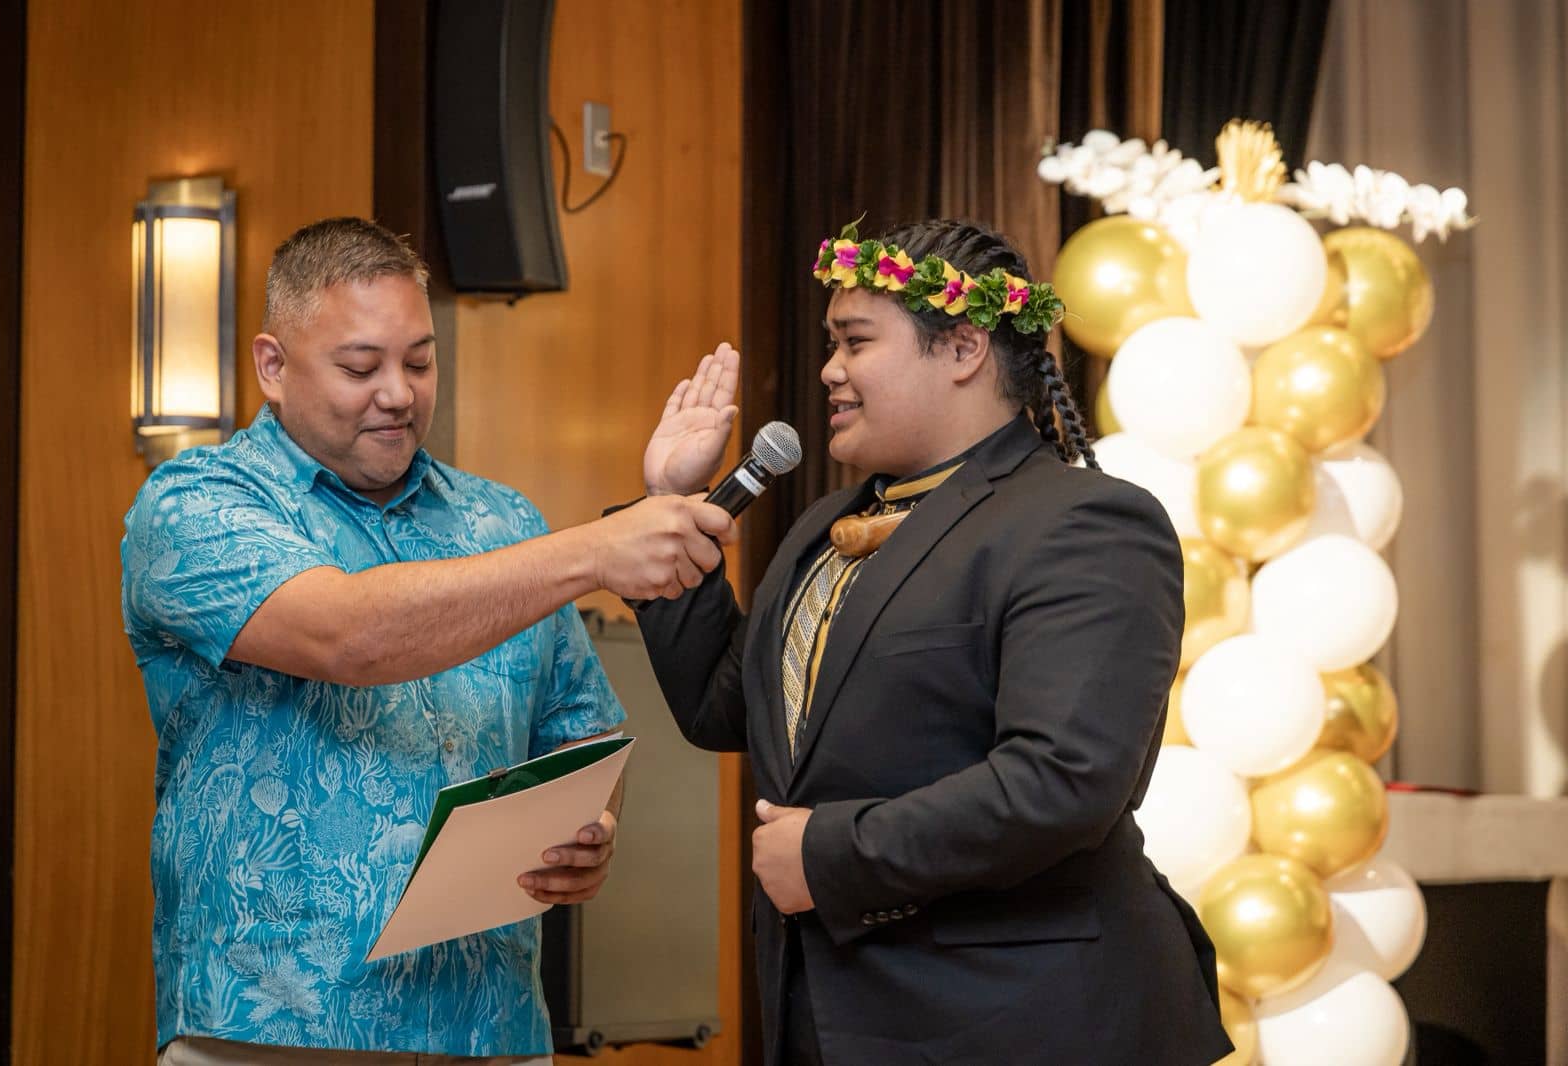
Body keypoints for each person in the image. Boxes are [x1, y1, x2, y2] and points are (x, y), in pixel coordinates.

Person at [121, 217, 735, 1065]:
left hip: (490, 1023)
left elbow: (581, 728)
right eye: (360, 366)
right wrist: (595, 549)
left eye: (419, 360)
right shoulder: (194, 506)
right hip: (273, 1026)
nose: (400, 393)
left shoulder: (500, 520)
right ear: (272, 365)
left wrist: (591, 824)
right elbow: (348, 634)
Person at [635, 219, 1234, 1065]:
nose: (829, 371)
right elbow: (720, 709)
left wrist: (831, 855)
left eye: (855, 342)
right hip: (837, 1017)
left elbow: (1063, 779)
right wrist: (669, 502)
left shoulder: (1082, 520)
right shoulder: (824, 525)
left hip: (1028, 1022)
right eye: (830, 344)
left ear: (961, 348)